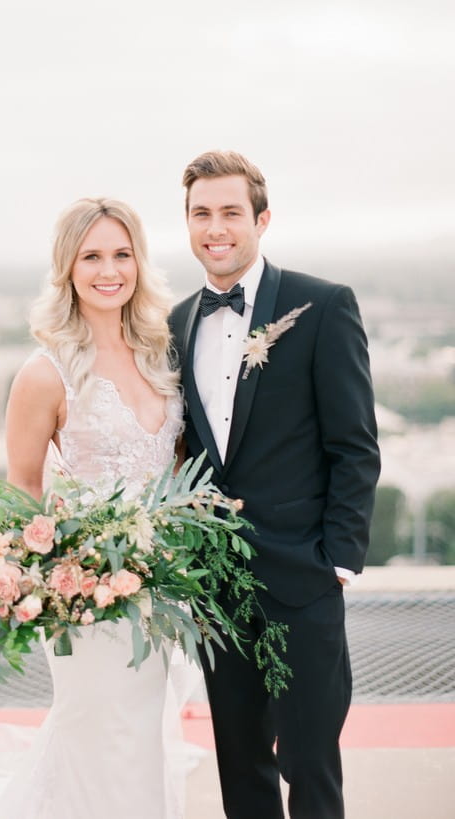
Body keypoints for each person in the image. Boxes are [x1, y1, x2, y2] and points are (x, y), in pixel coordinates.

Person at [169, 150, 381, 819]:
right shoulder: (176, 324)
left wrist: (338, 562)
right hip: (219, 588)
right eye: (202, 213)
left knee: (311, 767)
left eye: (231, 211)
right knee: (242, 769)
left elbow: (354, 447)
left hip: (304, 579)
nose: (216, 227)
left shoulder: (322, 306)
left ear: (262, 219)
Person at [0, 198, 184, 819]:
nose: (110, 270)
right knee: (101, 735)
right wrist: (45, 579)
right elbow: (21, 484)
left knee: (143, 740)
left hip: (162, 592)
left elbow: (179, 469)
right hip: (85, 598)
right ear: (67, 269)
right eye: (92, 256)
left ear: (139, 262)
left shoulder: (164, 358)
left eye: (122, 254)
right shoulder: (44, 374)